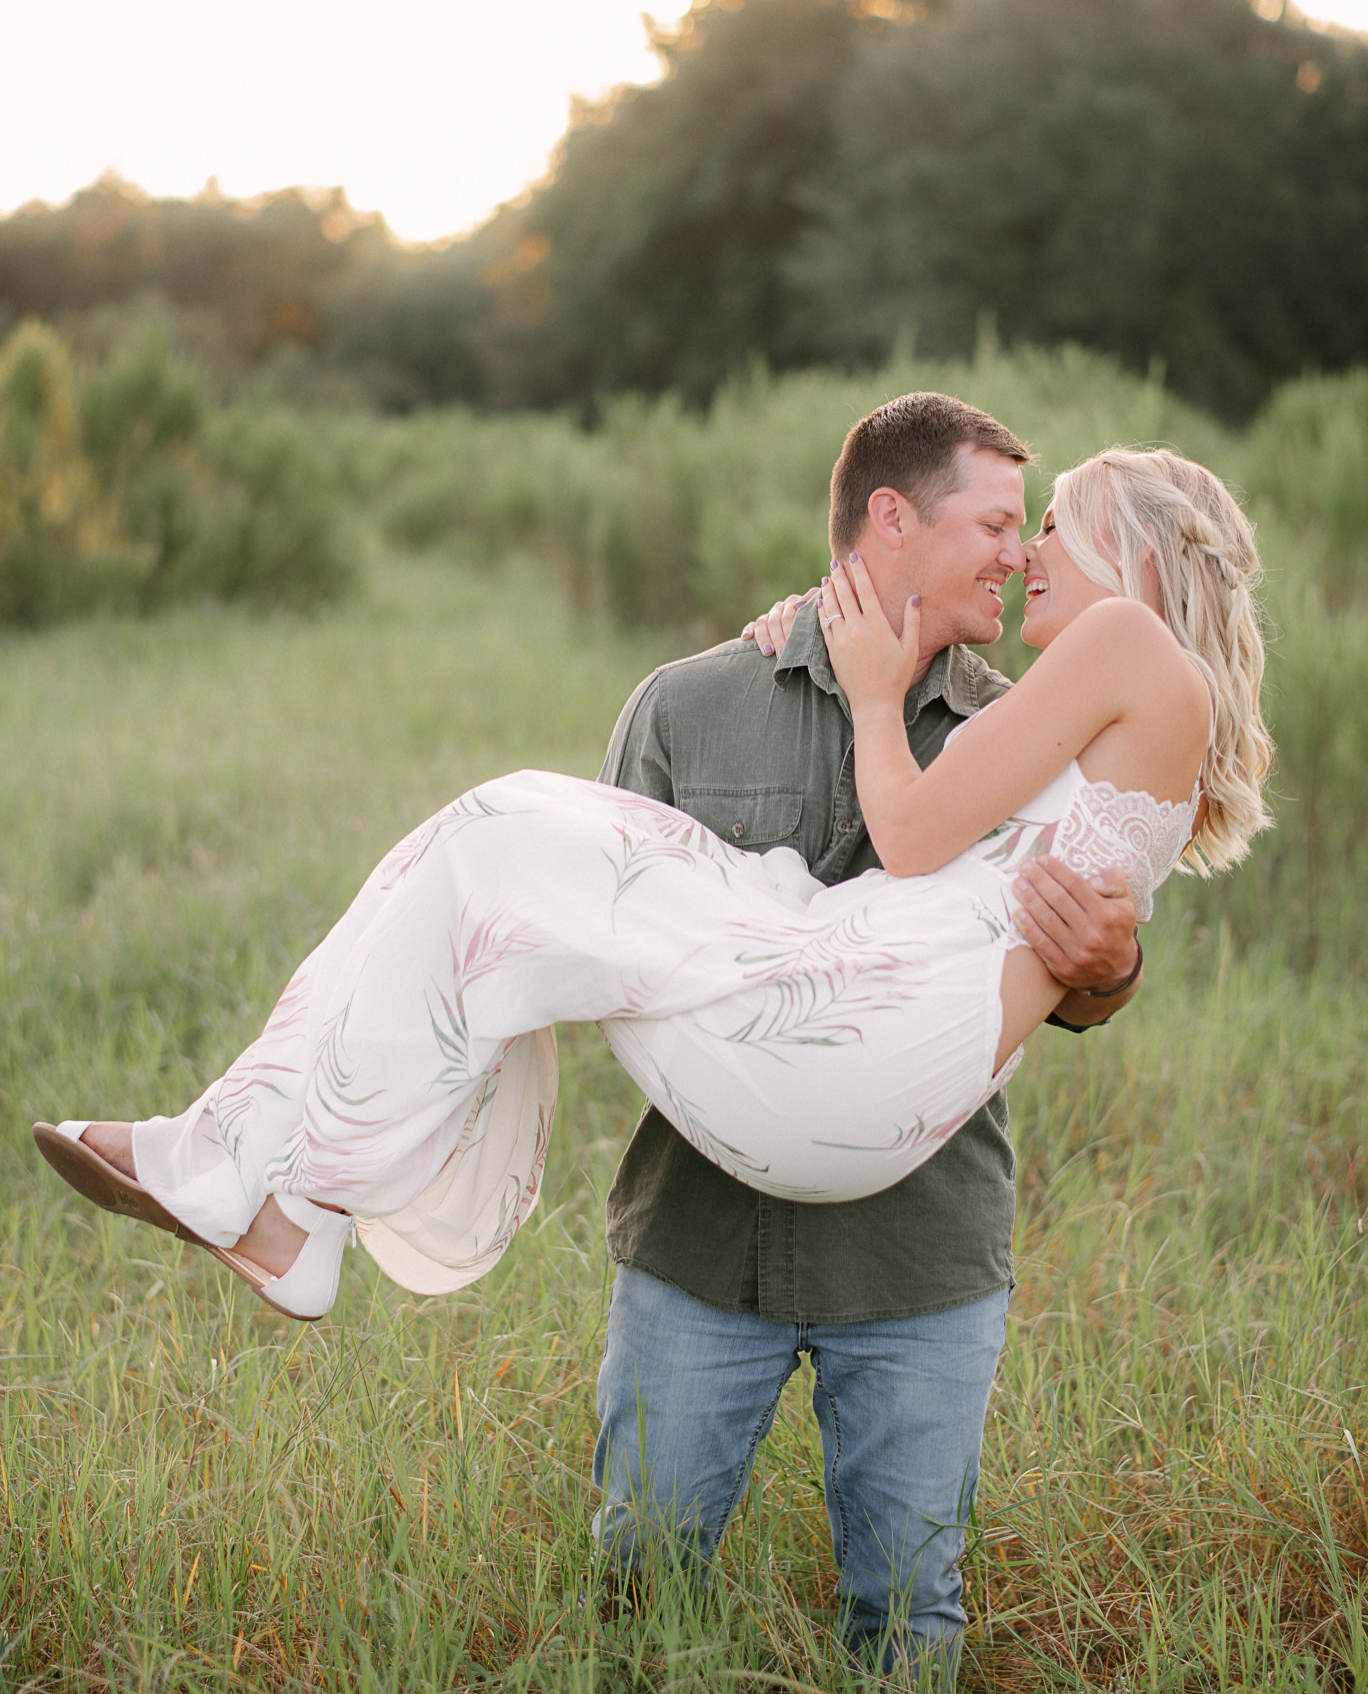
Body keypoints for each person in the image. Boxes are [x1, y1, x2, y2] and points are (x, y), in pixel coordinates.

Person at [32, 406, 1271, 1681]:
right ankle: (271, 1187)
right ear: (891, 521)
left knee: (491, 837)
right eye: (1008, 524)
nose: (1026, 554)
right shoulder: (697, 702)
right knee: (493, 859)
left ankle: (274, 1192)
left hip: (893, 1151)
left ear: (1135, 547)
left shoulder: (1082, 669)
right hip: (735, 1187)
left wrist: (885, 702)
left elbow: (965, 876)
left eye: (1050, 523)